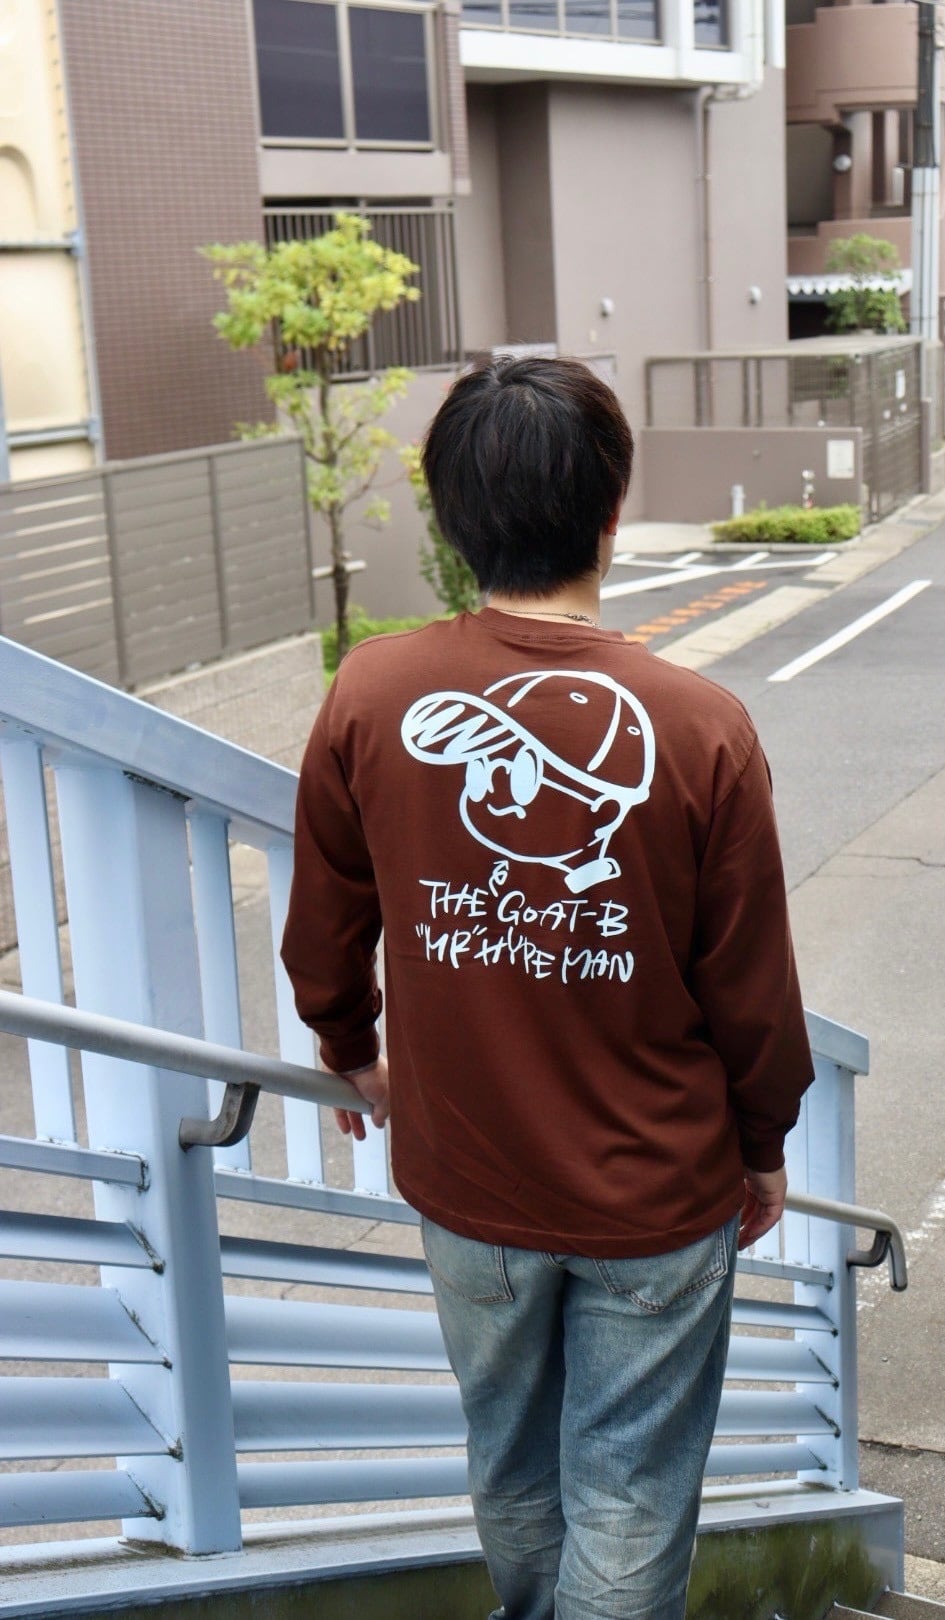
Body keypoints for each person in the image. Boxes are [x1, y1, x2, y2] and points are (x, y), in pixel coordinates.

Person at [281, 355, 815, 1620]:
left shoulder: (372, 691)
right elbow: (751, 987)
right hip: (655, 1190)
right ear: (613, 509)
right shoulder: (701, 726)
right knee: (628, 1496)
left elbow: (324, 925)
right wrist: (762, 1143)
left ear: (450, 516)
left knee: (512, 1465)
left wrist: (352, 1050)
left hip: (468, 1177)